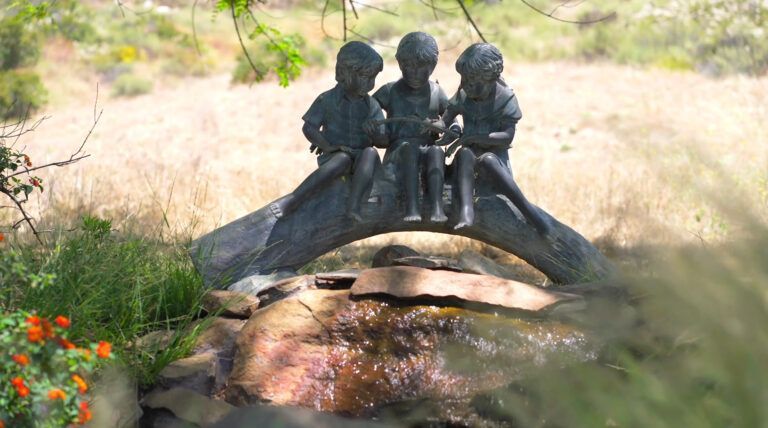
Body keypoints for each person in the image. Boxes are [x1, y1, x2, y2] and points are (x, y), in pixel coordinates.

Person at [438, 43, 550, 236]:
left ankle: (527, 210)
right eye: (463, 78)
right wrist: (441, 126)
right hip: (467, 164)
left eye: (472, 80)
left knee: (488, 160)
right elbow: (446, 119)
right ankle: (467, 211)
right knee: (465, 154)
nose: (465, 84)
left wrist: (477, 137)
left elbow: (507, 137)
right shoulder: (464, 94)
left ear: (491, 78)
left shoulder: (505, 98)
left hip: (495, 163)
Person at [271, 41, 387, 222]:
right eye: (365, 76)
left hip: (363, 161)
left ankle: (354, 206)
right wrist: (327, 146)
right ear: (344, 73)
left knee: (370, 152)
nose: (370, 83)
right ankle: (294, 199)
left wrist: (375, 134)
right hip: (336, 158)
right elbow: (309, 127)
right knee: (342, 158)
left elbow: (383, 141)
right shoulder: (326, 100)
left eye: (373, 78)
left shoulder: (372, 105)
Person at [373, 32, 456, 223]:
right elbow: (368, 111)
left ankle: (436, 207)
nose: (414, 73)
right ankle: (412, 207)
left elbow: (453, 124)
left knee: (436, 151)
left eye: (422, 67)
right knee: (409, 149)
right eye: (408, 66)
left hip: (428, 153)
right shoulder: (389, 91)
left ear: (433, 65)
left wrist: (442, 128)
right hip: (398, 154)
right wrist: (378, 132)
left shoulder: (436, 92)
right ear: (399, 63)